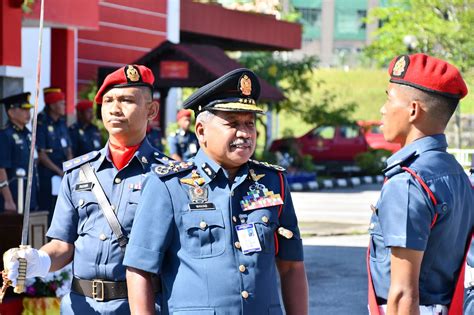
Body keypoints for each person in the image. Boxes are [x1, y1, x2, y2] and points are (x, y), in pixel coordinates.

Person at [124, 68, 309, 315]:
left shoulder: (273, 182)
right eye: (232, 124)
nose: (244, 133)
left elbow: (291, 266)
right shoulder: (168, 185)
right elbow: (140, 270)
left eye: (249, 124)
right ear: (201, 131)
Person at [3, 64, 166, 314]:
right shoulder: (79, 172)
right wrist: (37, 261)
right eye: (108, 100)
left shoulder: (170, 176)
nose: (114, 108)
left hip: (136, 306)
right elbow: (62, 244)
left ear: (151, 110)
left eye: (126, 100)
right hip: (80, 306)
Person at [367, 53, 473, 315]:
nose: (382, 109)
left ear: (413, 110)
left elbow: (403, 294)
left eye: (389, 98)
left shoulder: (408, 183)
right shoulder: (456, 174)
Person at [36, 87, 73, 217]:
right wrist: (59, 171)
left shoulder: (62, 122)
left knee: (63, 210)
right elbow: (42, 154)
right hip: (49, 174)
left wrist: (69, 169)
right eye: (61, 103)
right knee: (49, 209)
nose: (64, 106)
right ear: (52, 105)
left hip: (63, 173)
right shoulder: (42, 121)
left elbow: (68, 149)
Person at [0, 92, 38, 213]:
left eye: (28, 109)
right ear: (11, 112)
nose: (28, 113)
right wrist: (8, 199)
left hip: (28, 196)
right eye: (23, 109)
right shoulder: (5, 135)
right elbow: (1, 169)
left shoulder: (27, 134)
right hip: (14, 198)